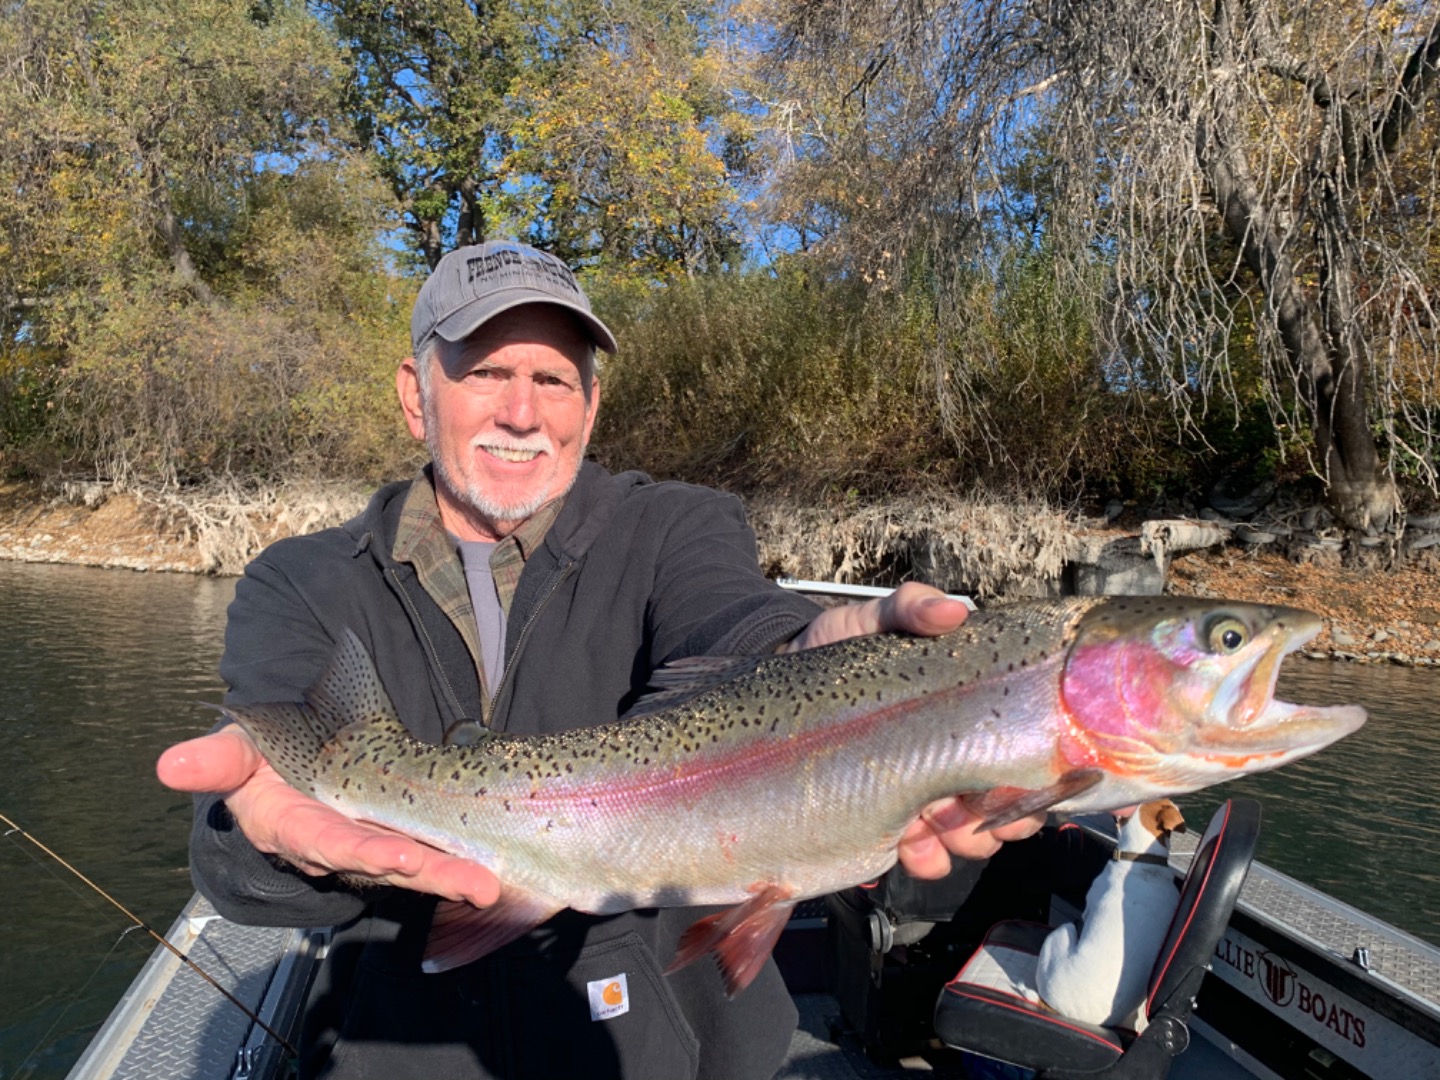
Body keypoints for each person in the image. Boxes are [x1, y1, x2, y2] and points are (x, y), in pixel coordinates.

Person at [157, 239, 1042, 1080]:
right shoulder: (300, 581)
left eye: (552, 379)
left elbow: (732, 618)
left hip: (659, 1048)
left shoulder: (674, 527)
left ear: (590, 403)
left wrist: (795, 657)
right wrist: (272, 842)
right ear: (416, 393)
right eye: (488, 372)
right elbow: (241, 868)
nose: (522, 411)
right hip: (400, 1044)